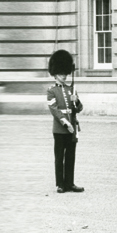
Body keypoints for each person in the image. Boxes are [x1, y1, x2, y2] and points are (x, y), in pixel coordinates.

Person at [46, 49, 84, 193]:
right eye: (61, 74)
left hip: (72, 128)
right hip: (60, 129)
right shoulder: (51, 91)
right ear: (55, 74)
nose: (64, 76)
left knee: (70, 157)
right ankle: (60, 184)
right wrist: (65, 123)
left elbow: (79, 108)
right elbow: (54, 109)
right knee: (59, 157)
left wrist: (77, 101)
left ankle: (70, 183)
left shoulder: (71, 89)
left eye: (65, 74)